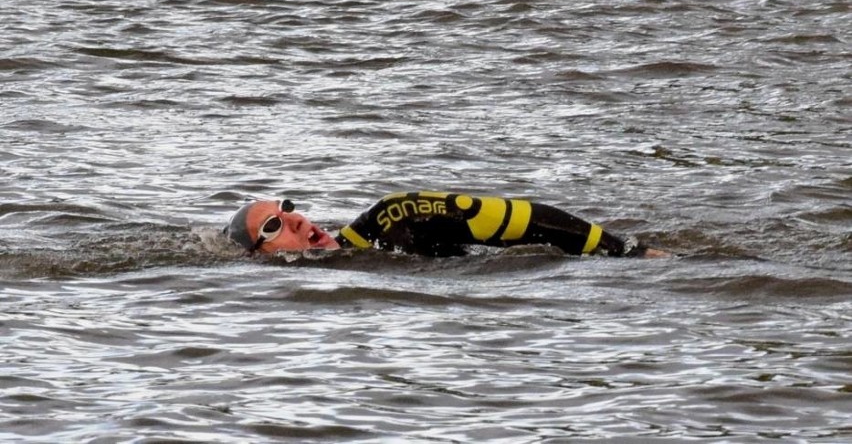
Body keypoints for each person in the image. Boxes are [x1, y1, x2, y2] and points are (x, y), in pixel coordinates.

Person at [224, 191, 668, 258]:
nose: (297, 219)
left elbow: (523, 215)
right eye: (273, 228)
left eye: (288, 207)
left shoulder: (390, 220)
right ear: (256, 259)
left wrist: (628, 253)